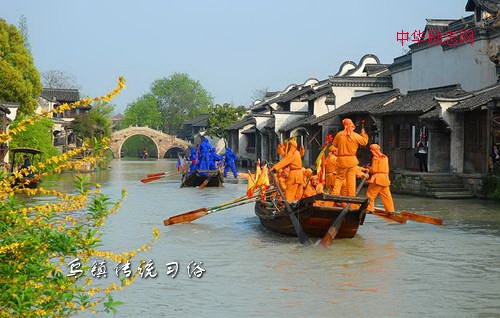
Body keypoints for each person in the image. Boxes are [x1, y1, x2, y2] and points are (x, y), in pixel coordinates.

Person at [331, 118, 369, 197]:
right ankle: (352, 199)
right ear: (351, 125)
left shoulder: (339, 134)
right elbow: (365, 142)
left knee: (339, 178)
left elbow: (334, 146)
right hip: (352, 160)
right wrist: (363, 134)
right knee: (351, 180)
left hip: (342, 160)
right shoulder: (355, 135)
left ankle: (334, 196)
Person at [366, 144, 395, 213]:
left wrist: (368, 169)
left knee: (370, 194)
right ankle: (390, 210)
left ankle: (369, 209)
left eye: (371, 149)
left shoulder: (375, 157)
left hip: (377, 179)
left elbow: (375, 170)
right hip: (385, 179)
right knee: (387, 196)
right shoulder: (385, 157)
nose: (371, 151)